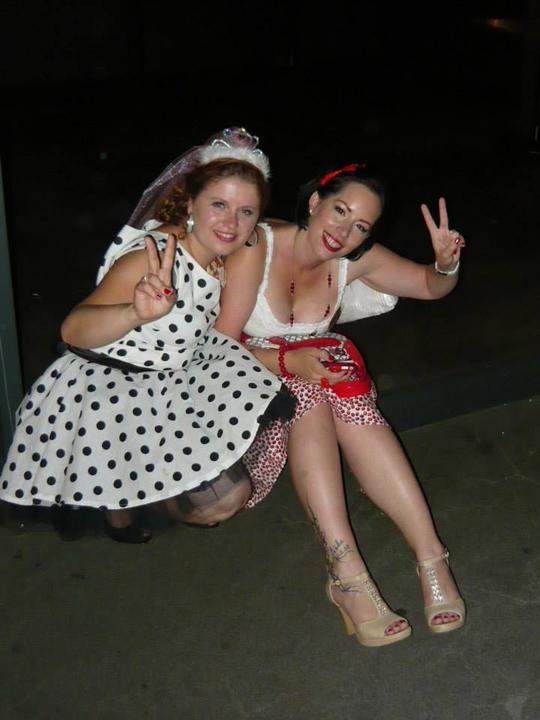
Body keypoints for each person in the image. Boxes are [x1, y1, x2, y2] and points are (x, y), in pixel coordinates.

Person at [215, 162, 466, 646]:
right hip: (242, 383)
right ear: (315, 203)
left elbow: (429, 286)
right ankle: (346, 574)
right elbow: (221, 345)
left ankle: (431, 558)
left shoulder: (355, 259)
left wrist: (445, 264)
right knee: (310, 392)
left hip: (309, 375)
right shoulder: (257, 247)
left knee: (348, 397)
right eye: (340, 211)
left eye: (361, 226)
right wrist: (288, 360)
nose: (344, 232)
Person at [0, 127, 291, 543]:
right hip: (105, 390)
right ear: (190, 203)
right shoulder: (154, 254)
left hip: (162, 382)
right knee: (218, 501)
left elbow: (279, 234)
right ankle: (120, 503)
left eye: (246, 211)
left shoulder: (220, 257)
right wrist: (133, 312)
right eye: (219, 205)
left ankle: (128, 498)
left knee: (224, 498)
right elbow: (73, 329)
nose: (231, 222)